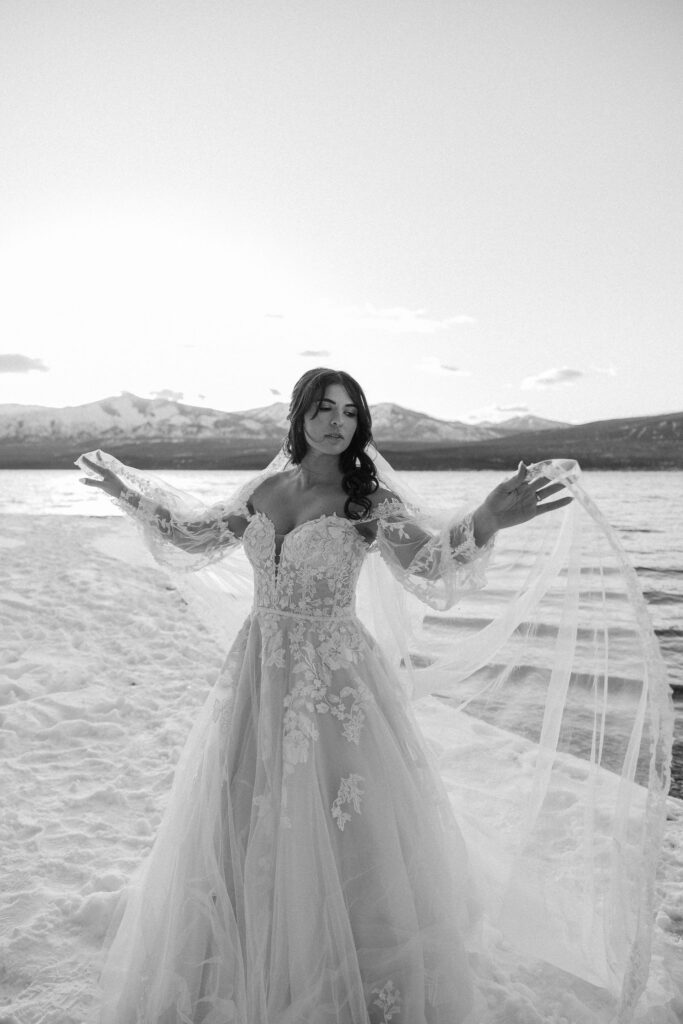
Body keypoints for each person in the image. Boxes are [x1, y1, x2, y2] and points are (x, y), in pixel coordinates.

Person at [77, 367, 672, 1024]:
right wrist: (129, 496)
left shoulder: (365, 500)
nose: (337, 422)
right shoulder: (267, 488)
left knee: (335, 821)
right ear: (298, 416)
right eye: (324, 408)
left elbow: (429, 563)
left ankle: (340, 959)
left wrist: (486, 518)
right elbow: (192, 537)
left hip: (333, 684)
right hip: (256, 672)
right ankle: (247, 943)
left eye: (350, 412)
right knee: (241, 806)